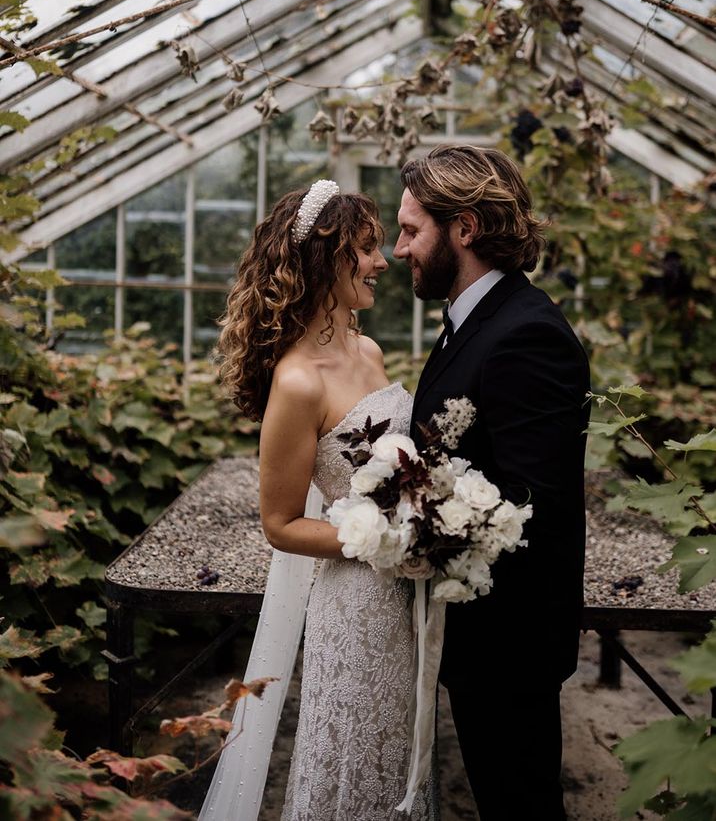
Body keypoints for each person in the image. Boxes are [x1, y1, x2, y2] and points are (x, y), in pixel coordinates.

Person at [199, 180, 437, 821]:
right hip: (354, 600)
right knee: (353, 759)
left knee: (402, 758)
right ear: (323, 259)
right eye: (365, 249)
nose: (382, 261)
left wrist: (424, 518)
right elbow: (279, 524)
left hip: (405, 595)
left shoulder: (370, 351)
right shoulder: (298, 381)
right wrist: (386, 537)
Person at [395, 145, 590, 821]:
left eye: (411, 230)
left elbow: (533, 503)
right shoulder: (470, 324)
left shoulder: (526, 333)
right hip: (478, 632)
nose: (398, 250)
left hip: (510, 643)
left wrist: (412, 525)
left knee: (521, 806)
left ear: (465, 229)